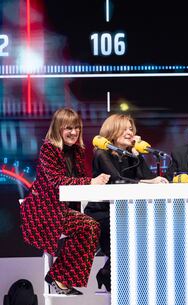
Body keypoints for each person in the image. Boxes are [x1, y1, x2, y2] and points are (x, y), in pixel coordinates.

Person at [20, 108, 110, 295]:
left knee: (92, 226)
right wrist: (90, 182)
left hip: (62, 209)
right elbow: (57, 181)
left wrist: (94, 183)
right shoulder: (49, 149)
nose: (74, 132)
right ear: (58, 129)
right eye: (69, 127)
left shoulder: (76, 150)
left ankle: (60, 276)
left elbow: (78, 180)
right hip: (43, 211)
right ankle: (59, 277)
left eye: (77, 127)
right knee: (89, 226)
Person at [85, 114, 168, 292]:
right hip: (103, 213)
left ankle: (109, 273)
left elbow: (148, 177)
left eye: (132, 129)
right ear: (113, 131)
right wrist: (148, 183)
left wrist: (137, 154)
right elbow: (117, 180)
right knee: (127, 242)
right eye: (125, 128)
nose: (130, 132)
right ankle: (111, 275)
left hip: (123, 214)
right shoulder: (102, 153)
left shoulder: (130, 155)